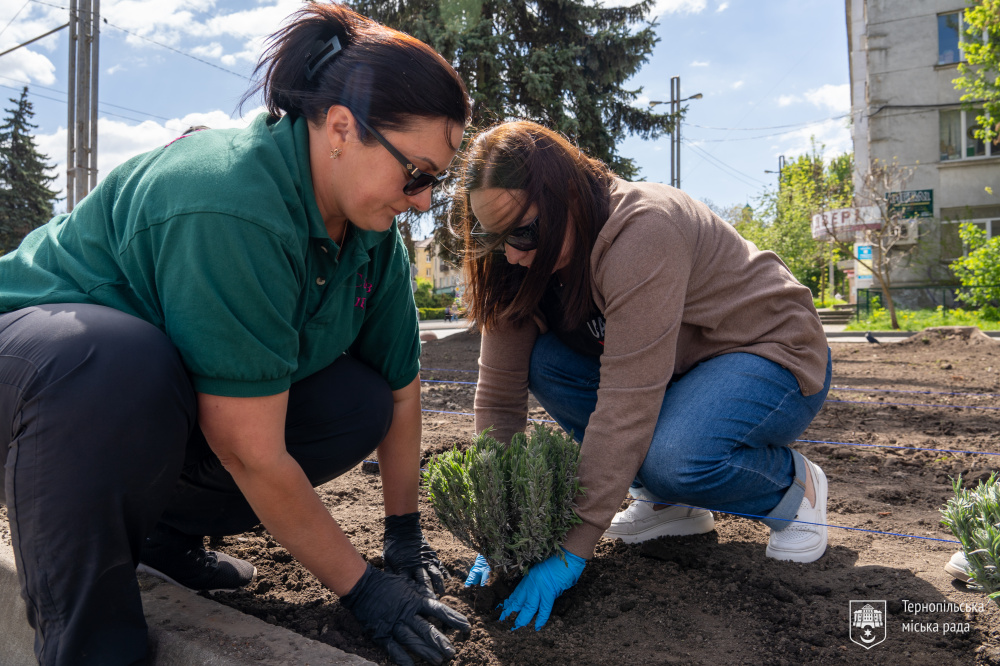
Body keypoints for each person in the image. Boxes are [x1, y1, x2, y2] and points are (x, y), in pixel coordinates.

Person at [0, 4, 472, 664]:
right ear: (341, 128)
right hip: (35, 385)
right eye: (416, 173)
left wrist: (402, 534)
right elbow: (248, 450)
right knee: (120, 361)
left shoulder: (370, 237)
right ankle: (93, 643)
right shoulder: (232, 201)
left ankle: (165, 538)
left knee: (354, 402)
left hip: (132, 411)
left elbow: (399, 391)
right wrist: (363, 590)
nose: (423, 200)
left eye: (436, 182)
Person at [454, 121, 832, 630]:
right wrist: (501, 524)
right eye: (491, 235)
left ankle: (791, 488)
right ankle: (669, 503)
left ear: (567, 195)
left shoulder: (641, 231)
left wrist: (573, 546)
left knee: (674, 457)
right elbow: (499, 399)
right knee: (545, 362)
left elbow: (626, 406)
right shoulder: (515, 262)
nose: (512, 254)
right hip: (678, 371)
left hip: (768, 352)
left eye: (523, 233)